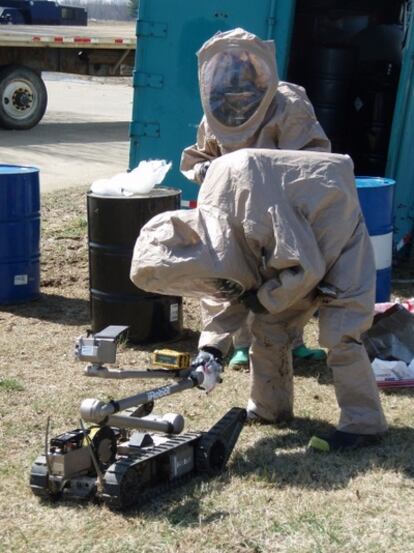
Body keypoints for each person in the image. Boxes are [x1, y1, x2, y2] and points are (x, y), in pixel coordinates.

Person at [130, 148, 388, 452]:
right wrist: (211, 349)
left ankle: (364, 424)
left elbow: (307, 267)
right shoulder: (207, 236)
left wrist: (264, 299)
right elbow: (221, 288)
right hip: (287, 254)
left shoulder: (255, 211)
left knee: (341, 334)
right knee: (269, 329)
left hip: (337, 238)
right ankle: (270, 410)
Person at [180, 28, 329, 370]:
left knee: (289, 273)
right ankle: (240, 344)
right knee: (228, 273)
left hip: (281, 208)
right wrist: (209, 172)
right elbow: (197, 157)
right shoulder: (217, 109)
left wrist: (275, 181)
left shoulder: (289, 104)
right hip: (229, 209)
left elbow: (314, 157)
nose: (236, 87)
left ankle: (291, 340)